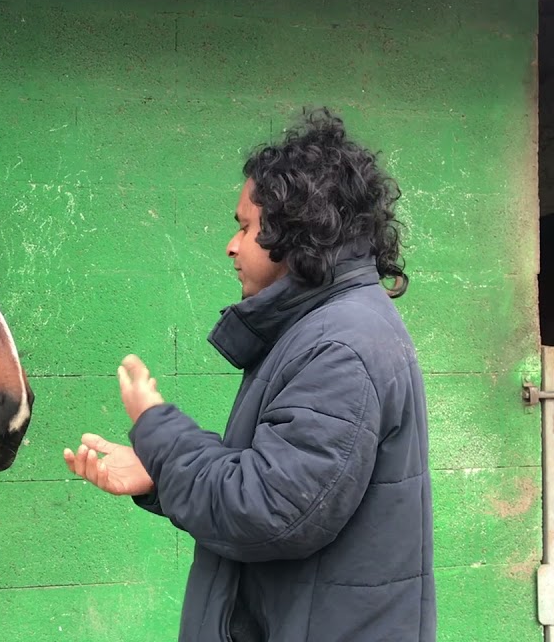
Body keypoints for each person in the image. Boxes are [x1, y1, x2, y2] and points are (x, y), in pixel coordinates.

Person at [64, 108, 435, 642]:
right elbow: (276, 484)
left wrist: (158, 430)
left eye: (246, 227)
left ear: (297, 230)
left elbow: (270, 510)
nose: (232, 246)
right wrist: (160, 475)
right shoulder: (322, 327)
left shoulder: (340, 345)